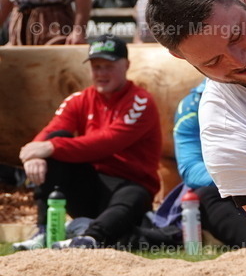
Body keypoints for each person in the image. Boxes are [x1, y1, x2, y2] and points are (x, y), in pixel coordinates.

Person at [14, 35, 162, 250]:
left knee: (133, 194)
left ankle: (90, 238)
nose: (101, 73)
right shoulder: (79, 99)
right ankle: (44, 230)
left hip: (129, 185)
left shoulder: (141, 100)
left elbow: (108, 141)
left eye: (108, 66)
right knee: (53, 147)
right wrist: (35, 154)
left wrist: (51, 147)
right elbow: (51, 131)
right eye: (96, 66)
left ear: (127, 65)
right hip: (91, 186)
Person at [174, 80, 246, 248]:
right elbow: (190, 168)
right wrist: (240, 177)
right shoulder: (192, 106)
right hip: (228, 186)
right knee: (204, 195)